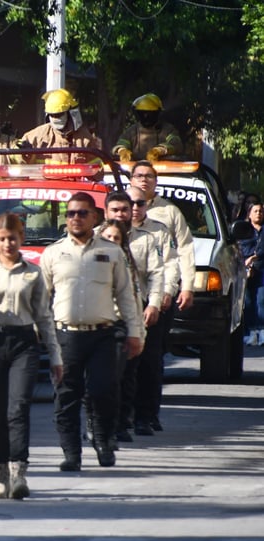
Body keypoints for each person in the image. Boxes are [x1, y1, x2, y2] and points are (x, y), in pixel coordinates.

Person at [39, 192, 142, 471]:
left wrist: (135, 332)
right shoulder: (53, 253)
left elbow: (125, 296)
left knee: (103, 391)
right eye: (71, 213)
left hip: (102, 335)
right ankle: (71, 453)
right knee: (66, 396)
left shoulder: (111, 252)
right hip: (66, 336)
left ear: (94, 217)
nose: (76, 218)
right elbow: (41, 299)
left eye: (82, 213)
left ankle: (104, 440)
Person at [0, 212, 62, 500]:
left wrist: (55, 356)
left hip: (23, 341)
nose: (8, 244)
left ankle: (18, 472)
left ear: (21, 238)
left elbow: (44, 317)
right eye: (2, 239)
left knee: (17, 408)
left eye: (13, 238)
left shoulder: (33, 273)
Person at [129, 161, 195, 432]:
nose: (144, 180)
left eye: (149, 176)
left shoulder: (169, 212)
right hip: (124, 301)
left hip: (157, 298)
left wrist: (182, 287)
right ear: (131, 179)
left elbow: (182, 252)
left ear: (156, 181)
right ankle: (123, 414)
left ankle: (148, 414)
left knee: (150, 359)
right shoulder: (119, 209)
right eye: (139, 176)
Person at [102, 192, 165, 443]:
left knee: (133, 371)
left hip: (135, 312)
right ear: (106, 212)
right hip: (101, 316)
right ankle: (103, 422)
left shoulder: (146, 240)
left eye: (124, 210)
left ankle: (131, 420)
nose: (120, 215)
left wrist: (155, 304)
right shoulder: (96, 237)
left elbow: (156, 274)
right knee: (105, 374)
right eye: (115, 210)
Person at [19, 89, 102, 164]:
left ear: (69, 113)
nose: (55, 119)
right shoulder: (37, 136)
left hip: (75, 181)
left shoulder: (84, 138)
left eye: (59, 114)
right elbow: (16, 160)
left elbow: (97, 171)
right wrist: (23, 153)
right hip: (46, 181)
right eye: (52, 115)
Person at [112, 93, 183, 162]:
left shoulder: (168, 129)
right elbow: (121, 143)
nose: (146, 116)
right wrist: (122, 150)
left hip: (162, 170)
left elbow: (176, 144)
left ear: (158, 113)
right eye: (142, 113)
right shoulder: (132, 131)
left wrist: (160, 150)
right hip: (136, 170)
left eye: (150, 113)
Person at [240, 203, 264, 345]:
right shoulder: (244, 230)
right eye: (255, 211)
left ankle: (261, 330)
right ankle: (251, 332)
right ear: (249, 214)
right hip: (246, 270)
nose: (258, 213)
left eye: (261, 211)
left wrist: (255, 257)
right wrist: (248, 261)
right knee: (248, 302)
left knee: (261, 301)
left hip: (262, 270)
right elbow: (240, 247)